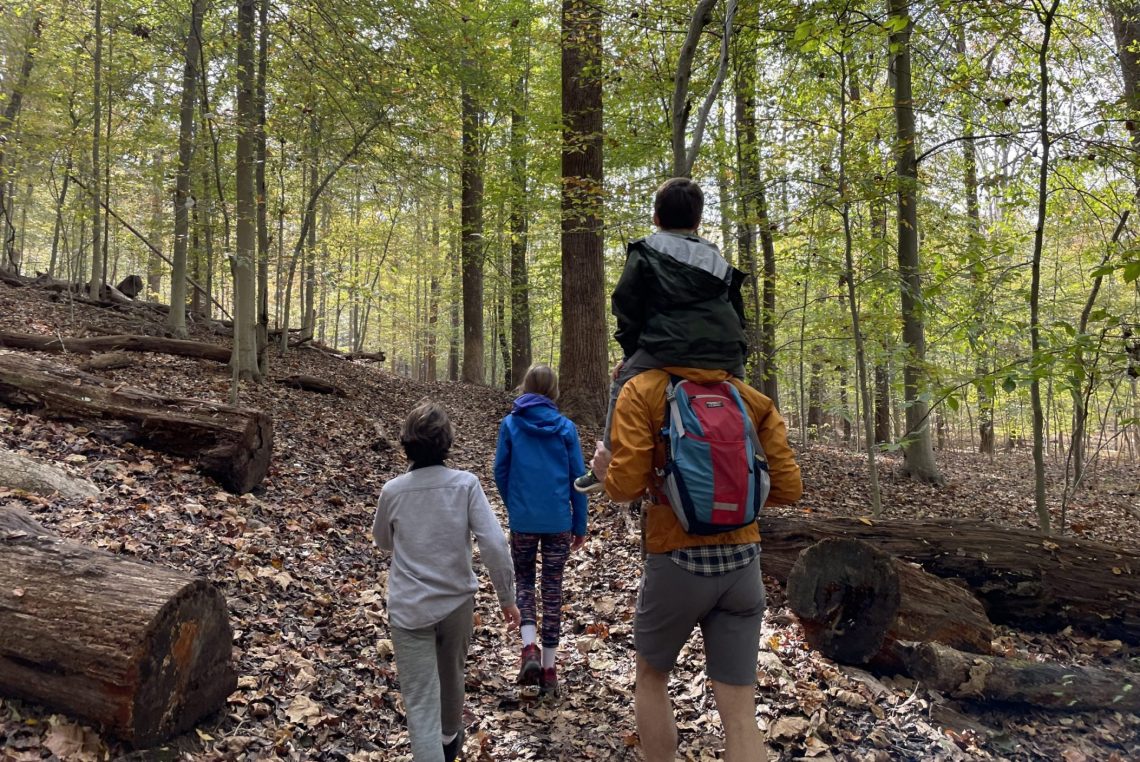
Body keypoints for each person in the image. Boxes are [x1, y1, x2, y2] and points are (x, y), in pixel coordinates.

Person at [591, 368, 802, 762]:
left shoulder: (643, 389)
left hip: (677, 562)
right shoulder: (750, 398)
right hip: (743, 566)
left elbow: (624, 487)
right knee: (740, 714)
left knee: (652, 679)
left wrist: (607, 473)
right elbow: (789, 488)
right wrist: (732, 507)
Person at [575, 176, 748, 494]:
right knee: (745, 399)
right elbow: (737, 313)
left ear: (656, 217)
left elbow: (627, 306)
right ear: (697, 221)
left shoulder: (646, 250)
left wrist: (629, 357)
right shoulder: (717, 259)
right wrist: (738, 356)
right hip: (727, 350)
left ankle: (606, 465)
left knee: (621, 385)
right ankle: (753, 459)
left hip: (667, 347)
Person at [373, 401, 521, 762]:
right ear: (447, 443)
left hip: (409, 609)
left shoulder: (393, 491)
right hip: (457, 603)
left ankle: (438, 745)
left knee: (422, 701)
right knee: (452, 676)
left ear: (406, 443)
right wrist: (507, 597)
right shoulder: (465, 485)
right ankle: (449, 739)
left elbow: (382, 540)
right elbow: (494, 543)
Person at [493, 363, 588, 698]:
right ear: (553, 390)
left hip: (524, 521)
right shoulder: (566, 428)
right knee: (552, 588)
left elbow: (499, 472)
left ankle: (528, 648)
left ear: (526, 386)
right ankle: (549, 670)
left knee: (524, 582)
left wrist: (514, 505)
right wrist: (580, 524)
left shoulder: (511, 424)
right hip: (558, 521)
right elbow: (580, 480)